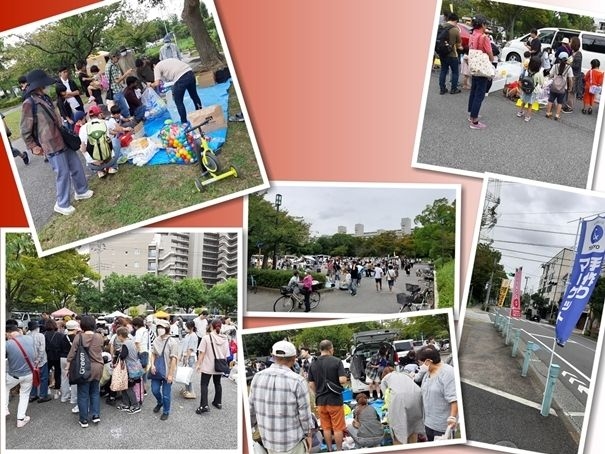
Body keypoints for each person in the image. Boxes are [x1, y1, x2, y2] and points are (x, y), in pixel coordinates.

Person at [20, 69, 93, 216]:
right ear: (38, 84)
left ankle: (81, 191)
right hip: (50, 143)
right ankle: (62, 203)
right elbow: (25, 129)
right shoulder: (29, 103)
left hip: (62, 137)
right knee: (62, 173)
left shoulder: (45, 97)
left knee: (75, 165)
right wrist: (33, 146)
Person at [249, 340, 313, 454]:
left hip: (268, 440)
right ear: (294, 358)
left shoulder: (257, 377)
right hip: (292, 442)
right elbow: (305, 416)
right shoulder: (298, 381)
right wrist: (309, 435)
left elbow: (251, 410)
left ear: (273, 356)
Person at [308, 339, 348, 451]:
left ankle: (330, 449)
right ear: (331, 349)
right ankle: (339, 450)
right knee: (338, 428)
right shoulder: (337, 361)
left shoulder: (313, 364)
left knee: (326, 427)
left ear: (320, 350)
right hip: (334, 400)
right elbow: (342, 380)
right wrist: (344, 377)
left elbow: (311, 384)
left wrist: (318, 393)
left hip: (320, 401)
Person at [65, 315, 104, 428]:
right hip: (98, 367)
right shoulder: (99, 336)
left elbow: (72, 353)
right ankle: (96, 415)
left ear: (82, 325)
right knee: (95, 392)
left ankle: (84, 420)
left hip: (83, 367)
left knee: (83, 394)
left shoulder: (79, 337)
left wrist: (67, 367)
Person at [416, 346, 458, 441]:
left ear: (428, 361)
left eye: (420, 363)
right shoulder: (427, 373)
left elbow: (454, 399)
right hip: (428, 423)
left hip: (442, 426)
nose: (420, 366)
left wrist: (452, 418)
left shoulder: (448, 373)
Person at [150, 58, 203, 124]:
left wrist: (151, 85)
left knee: (178, 101)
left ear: (153, 65)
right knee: (194, 95)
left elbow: (157, 83)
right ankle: (201, 113)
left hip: (181, 78)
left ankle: (184, 122)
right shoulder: (168, 61)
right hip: (190, 73)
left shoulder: (157, 67)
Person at [380, 366, 424, 444]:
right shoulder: (404, 374)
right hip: (417, 395)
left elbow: (386, 397)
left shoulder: (385, 379)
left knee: (398, 428)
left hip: (399, 398)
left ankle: (400, 445)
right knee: (413, 426)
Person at [195, 318, 230, 414]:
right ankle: (218, 402)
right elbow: (226, 355)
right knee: (217, 383)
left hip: (207, 366)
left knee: (204, 384)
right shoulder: (225, 339)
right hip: (219, 365)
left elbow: (201, 353)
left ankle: (204, 405)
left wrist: (198, 365)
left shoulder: (206, 338)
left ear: (211, 326)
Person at [6, 324, 36, 427]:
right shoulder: (30, 338)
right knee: (24, 395)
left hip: (13, 375)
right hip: (30, 373)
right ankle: (21, 419)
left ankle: (4, 409)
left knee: (4, 388)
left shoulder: (7, 344)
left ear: (8, 333)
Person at [78, 104, 121, 178]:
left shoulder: (82, 128)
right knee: (115, 140)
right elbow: (119, 129)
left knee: (85, 151)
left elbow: (83, 149)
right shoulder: (105, 122)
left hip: (94, 165)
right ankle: (113, 167)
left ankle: (100, 171)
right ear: (99, 114)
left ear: (89, 116)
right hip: (109, 161)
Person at [467, 15, 493, 130]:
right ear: (482, 25)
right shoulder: (484, 37)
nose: (486, 26)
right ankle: (474, 121)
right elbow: (490, 53)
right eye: (486, 24)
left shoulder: (472, 35)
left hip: (474, 66)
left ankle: (471, 114)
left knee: (473, 91)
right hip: (482, 68)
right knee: (480, 94)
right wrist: (491, 60)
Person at [149, 319, 178, 421]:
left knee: (166, 394)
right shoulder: (156, 340)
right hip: (157, 370)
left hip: (167, 371)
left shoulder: (172, 342)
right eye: (158, 328)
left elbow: (174, 359)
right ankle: (159, 402)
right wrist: (152, 364)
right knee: (154, 390)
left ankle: (166, 411)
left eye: (162, 327)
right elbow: (153, 353)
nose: (160, 329)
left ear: (167, 329)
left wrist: (170, 374)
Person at [114, 327, 145, 414]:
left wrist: (118, 353)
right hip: (136, 367)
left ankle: (135, 405)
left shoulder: (125, 344)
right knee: (125, 386)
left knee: (128, 387)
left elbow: (123, 356)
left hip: (129, 368)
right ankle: (126, 404)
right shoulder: (132, 341)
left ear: (120, 335)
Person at [105, 49, 135, 119]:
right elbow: (117, 81)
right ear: (113, 56)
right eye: (118, 58)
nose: (118, 59)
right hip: (116, 92)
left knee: (121, 109)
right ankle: (129, 123)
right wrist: (126, 73)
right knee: (124, 109)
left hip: (115, 91)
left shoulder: (108, 65)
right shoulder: (112, 66)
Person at [438, 12, 462, 95]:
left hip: (442, 53)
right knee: (455, 72)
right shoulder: (455, 30)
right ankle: (453, 89)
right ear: (455, 21)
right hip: (452, 55)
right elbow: (459, 45)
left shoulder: (440, 27)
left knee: (443, 71)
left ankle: (442, 89)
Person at [26, 320, 50, 403]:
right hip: (41, 360)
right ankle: (43, 395)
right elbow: (42, 349)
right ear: (36, 328)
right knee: (44, 378)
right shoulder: (41, 336)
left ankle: (33, 395)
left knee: (33, 378)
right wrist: (38, 360)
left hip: (30, 361)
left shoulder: (26, 335)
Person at [545, 52, 573, 121]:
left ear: (559, 59)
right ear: (566, 60)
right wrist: (570, 88)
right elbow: (570, 79)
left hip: (554, 86)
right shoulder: (569, 68)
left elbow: (550, 75)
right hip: (563, 88)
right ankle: (557, 115)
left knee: (550, 100)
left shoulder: (555, 66)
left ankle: (548, 113)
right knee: (560, 102)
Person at [515, 56, 544, 122]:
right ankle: (527, 117)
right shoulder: (539, 73)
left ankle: (520, 112)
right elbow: (541, 82)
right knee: (530, 104)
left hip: (525, 88)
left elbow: (521, 77)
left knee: (524, 101)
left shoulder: (527, 70)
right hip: (533, 91)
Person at [56, 65, 85, 130]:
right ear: (60, 73)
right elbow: (63, 96)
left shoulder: (71, 81)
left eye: (66, 72)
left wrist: (69, 94)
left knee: (83, 121)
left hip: (77, 104)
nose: (66, 73)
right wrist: (72, 94)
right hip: (68, 108)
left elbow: (78, 92)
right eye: (64, 72)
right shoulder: (58, 84)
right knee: (74, 126)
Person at [44, 318, 64, 399]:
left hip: (47, 356)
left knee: (46, 373)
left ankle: (47, 389)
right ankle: (56, 392)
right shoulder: (60, 335)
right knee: (58, 373)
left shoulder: (43, 335)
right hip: (58, 356)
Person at [563, 36, 583, 113]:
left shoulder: (578, 54)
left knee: (571, 92)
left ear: (574, 43)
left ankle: (569, 107)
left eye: (570, 41)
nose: (569, 43)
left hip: (574, 76)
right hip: (571, 75)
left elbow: (576, 66)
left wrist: (568, 63)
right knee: (569, 91)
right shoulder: (573, 52)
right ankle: (566, 105)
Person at [180, 320, 198, 399]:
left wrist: (186, 358)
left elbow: (190, 349)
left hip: (190, 357)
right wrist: (181, 356)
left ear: (191, 327)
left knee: (189, 375)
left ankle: (191, 391)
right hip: (186, 356)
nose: (185, 328)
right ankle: (187, 390)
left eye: (187, 327)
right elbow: (184, 346)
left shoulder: (193, 336)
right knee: (185, 374)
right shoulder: (187, 335)